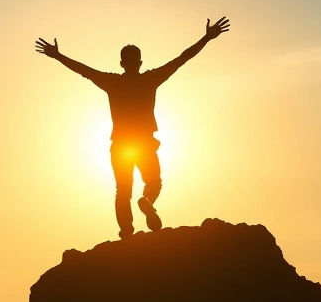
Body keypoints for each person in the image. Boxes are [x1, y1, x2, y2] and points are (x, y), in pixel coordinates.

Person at [35, 17, 230, 239]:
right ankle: (147, 201)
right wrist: (206, 38)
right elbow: (181, 59)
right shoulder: (150, 79)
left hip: (121, 144)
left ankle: (126, 232)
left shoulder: (112, 82)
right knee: (154, 182)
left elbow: (83, 70)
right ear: (140, 63)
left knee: (123, 191)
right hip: (144, 143)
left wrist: (57, 55)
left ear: (122, 64)